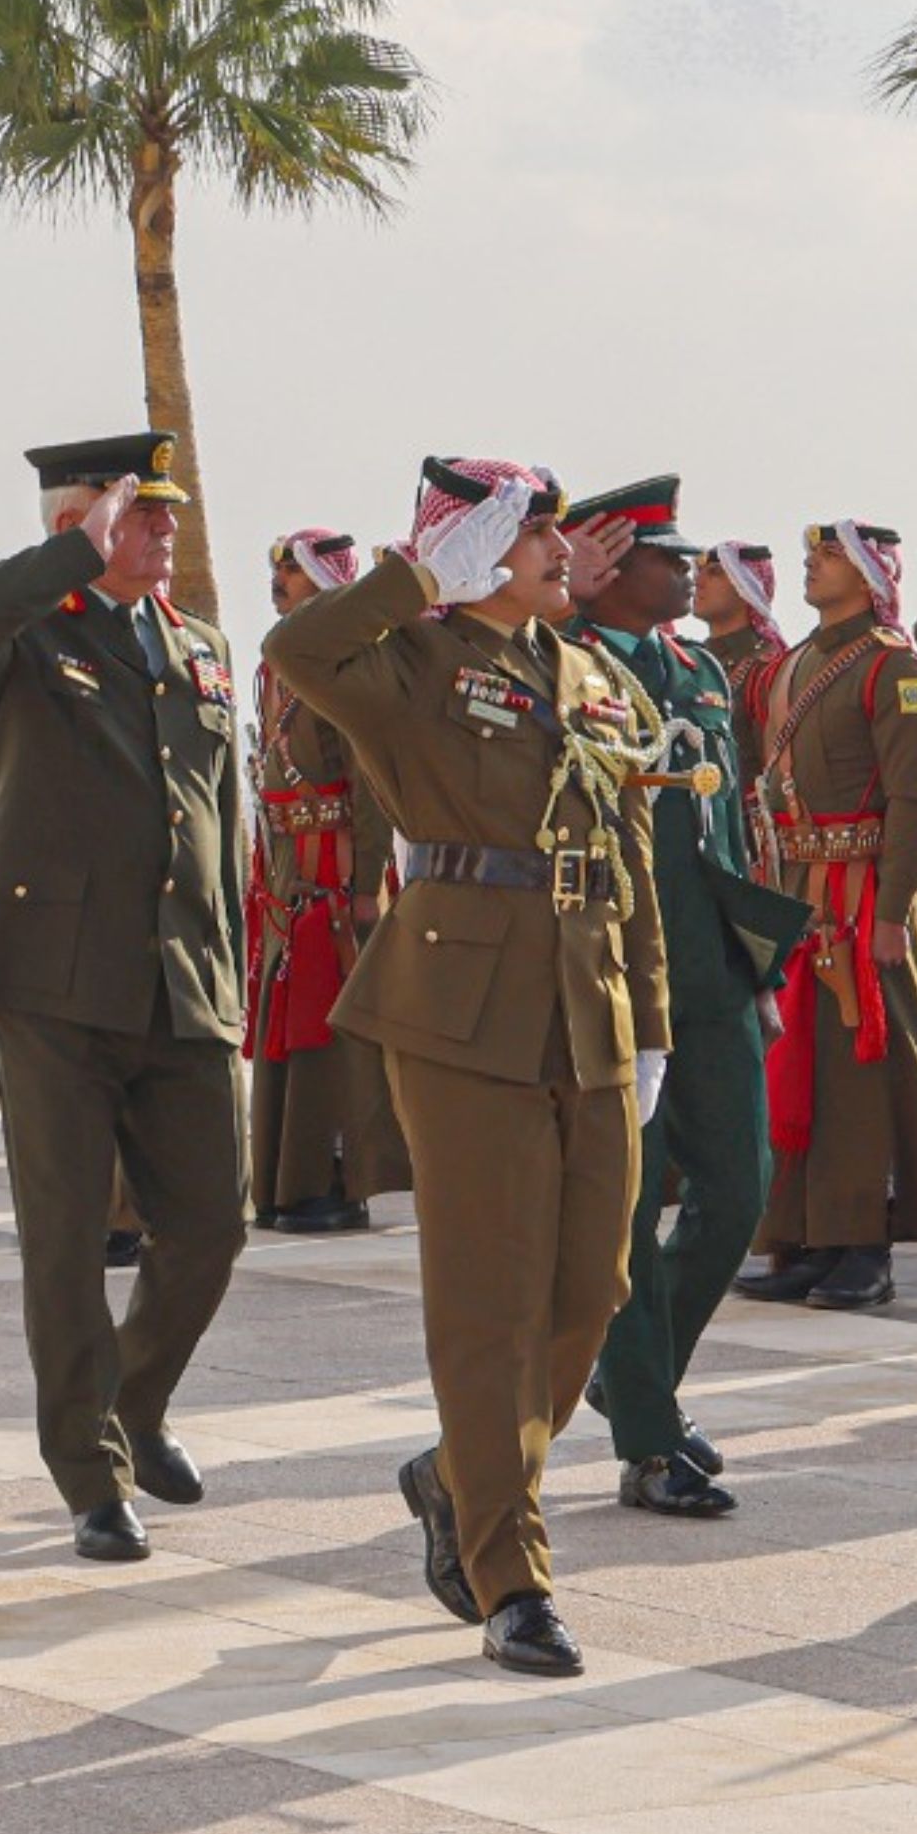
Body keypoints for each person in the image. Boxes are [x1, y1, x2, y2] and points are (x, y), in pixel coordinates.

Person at [265, 456, 670, 1678]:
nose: (562, 551)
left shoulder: (595, 674)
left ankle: (456, 1475)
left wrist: (649, 1016)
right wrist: (411, 575)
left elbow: (632, 845)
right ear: (470, 548)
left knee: (590, 1289)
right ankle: (511, 1572)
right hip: (462, 1001)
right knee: (490, 1300)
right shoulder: (409, 662)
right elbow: (298, 655)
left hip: (587, 998)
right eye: (532, 532)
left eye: (553, 531)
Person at [0, 437, 251, 1563]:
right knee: (64, 1238)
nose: (165, 530)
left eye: (167, 513)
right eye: (139, 513)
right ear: (80, 522)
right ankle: (89, 1471)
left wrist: (231, 975)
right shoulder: (25, 639)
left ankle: (134, 1402)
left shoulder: (201, 647)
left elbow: (222, 826)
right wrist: (70, 549)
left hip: (180, 982)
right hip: (54, 985)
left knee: (214, 1222)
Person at [567, 477, 796, 1518]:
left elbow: (730, 828)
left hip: (707, 969)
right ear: (611, 568)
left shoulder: (700, 672)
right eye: (667, 558)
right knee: (623, 1209)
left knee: (739, 1189)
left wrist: (760, 974)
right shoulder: (565, 663)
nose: (688, 575)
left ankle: (631, 1377)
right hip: (611, 973)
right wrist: (563, 606)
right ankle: (652, 1438)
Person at [739, 520, 917, 1310]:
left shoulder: (895, 668)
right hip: (798, 889)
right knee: (799, 1070)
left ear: (866, 575)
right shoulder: (792, 664)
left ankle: (865, 1245)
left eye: (827, 556)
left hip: (864, 897)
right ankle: (801, 1237)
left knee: (860, 1077)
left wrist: (894, 910)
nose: (811, 564)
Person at [246, 529, 409, 1235]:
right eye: (276, 568)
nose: (279, 580)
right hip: (289, 874)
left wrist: (366, 881)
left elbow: (371, 785)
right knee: (288, 1029)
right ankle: (286, 1182)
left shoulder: (346, 664)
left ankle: (336, 1181)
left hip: (338, 875)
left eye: (294, 570)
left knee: (332, 1033)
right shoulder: (270, 668)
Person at [695, 536, 786, 694]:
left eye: (715, 573)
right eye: (699, 572)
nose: (698, 581)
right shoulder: (688, 662)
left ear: (746, 588)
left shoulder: (771, 668)